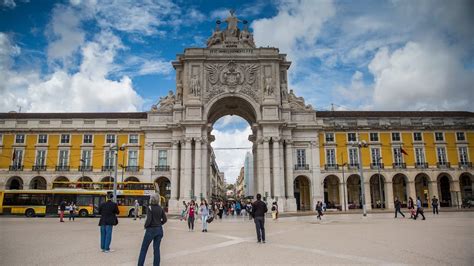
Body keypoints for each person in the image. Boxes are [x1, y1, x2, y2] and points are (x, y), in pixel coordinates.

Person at [138, 193, 167, 266]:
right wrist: (160, 223)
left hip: (151, 230)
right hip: (159, 230)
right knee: (156, 249)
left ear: (151, 200)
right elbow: (165, 219)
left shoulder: (150, 208)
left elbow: (149, 220)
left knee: (144, 249)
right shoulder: (160, 208)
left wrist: (145, 226)